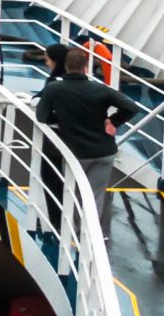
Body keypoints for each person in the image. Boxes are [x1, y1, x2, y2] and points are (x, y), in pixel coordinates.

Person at [35, 42, 141, 226]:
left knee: (71, 195)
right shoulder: (100, 89)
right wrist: (113, 121)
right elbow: (132, 107)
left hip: (77, 153)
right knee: (94, 199)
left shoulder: (54, 88)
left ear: (65, 66)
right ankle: (90, 238)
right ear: (85, 67)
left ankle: (72, 239)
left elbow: (42, 116)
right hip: (105, 153)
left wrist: (61, 117)